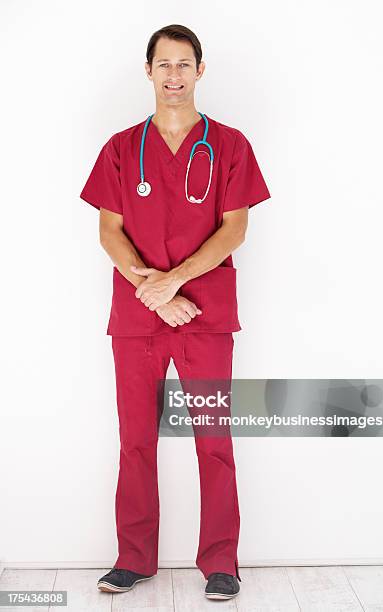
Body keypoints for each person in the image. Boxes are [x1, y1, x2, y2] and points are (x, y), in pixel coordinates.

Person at [80, 23, 271, 601]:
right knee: (135, 440)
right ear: (148, 71)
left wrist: (176, 282)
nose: (173, 76)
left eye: (183, 64)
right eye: (163, 65)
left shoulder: (230, 145)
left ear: (200, 70)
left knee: (214, 440)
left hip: (206, 317)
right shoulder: (119, 148)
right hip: (137, 320)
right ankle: (134, 558)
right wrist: (152, 288)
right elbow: (108, 231)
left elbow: (234, 228)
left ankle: (221, 562)